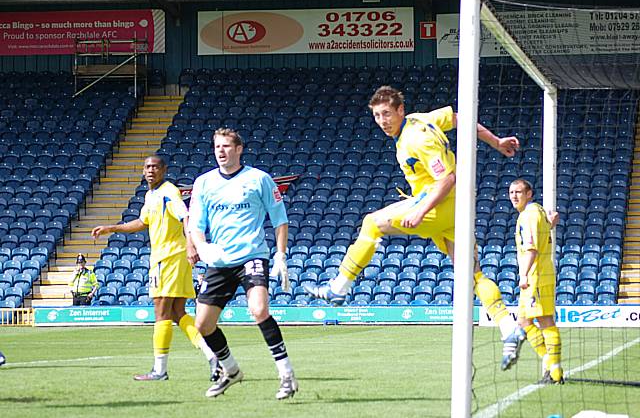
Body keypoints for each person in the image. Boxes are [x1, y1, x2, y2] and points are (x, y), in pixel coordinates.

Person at [305, 85, 527, 369]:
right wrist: (496, 141)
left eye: (387, 113)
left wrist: (422, 210)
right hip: (459, 209)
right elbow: (459, 117)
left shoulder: (414, 140)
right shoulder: (424, 119)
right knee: (472, 274)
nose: (382, 120)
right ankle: (508, 328)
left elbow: (447, 178)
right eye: (376, 115)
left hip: (440, 203)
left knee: (372, 223)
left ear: (401, 110)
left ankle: (338, 287)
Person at [189, 127, 298, 400]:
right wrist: (202, 247)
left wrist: (280, 256)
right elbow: (196, 225)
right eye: (217, 147)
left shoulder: (260, 179)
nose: (221, 152)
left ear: (239, 149)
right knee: (202, 325)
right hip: (219, 260)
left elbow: (280, 218)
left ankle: (286, 376)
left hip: (251, 256)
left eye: (227, 146)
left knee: (259, 309)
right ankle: (231, 370)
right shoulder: (203, 183)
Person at [92, 155, 217, 381]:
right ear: (143, 170)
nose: (151, 170)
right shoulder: (151, 195)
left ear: (163, 169)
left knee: (160, 312)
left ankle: (159, 370)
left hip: (168, 257)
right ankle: (212, 355)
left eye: (155, 167)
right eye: (147, 166)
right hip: (173, 257)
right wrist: (112, 228)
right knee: (179, 313)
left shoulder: (169, 191)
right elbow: (142, 222)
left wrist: (191, 243)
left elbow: (185, 216)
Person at [508, 178, 564, 384]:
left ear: (529, 194)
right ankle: (550, 362)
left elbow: (531, 248)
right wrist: (551, 223)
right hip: (539, 274)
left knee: (545, 321)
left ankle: (554, 373)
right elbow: (542, 231)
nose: (514, 196)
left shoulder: (529, 215)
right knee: (523, 321)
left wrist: (523, 274)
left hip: (536, 277)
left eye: (519, 192)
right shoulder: (537, 212)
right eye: (511, 192)